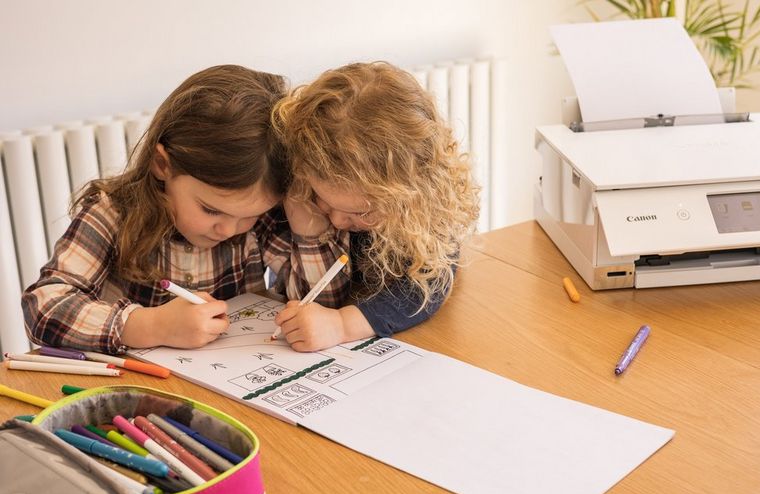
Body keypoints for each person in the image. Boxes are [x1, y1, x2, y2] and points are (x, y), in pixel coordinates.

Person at [22, 65, 347, 354]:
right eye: (210, 210)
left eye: (247, 215)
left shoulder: (261, 218)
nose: (229, 229)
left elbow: (320, 307)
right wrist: (153, 325)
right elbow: (44, 307)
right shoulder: (113, 213)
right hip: (133, 394)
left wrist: (308, 230)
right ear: (162, 164)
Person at [271, 61, 481, 351]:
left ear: (411, 196)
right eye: (325, 202)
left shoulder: (419, 217)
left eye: (361, 213)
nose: (339, 221)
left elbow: (428, 285)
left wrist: (343, 325)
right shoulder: (303, 190)